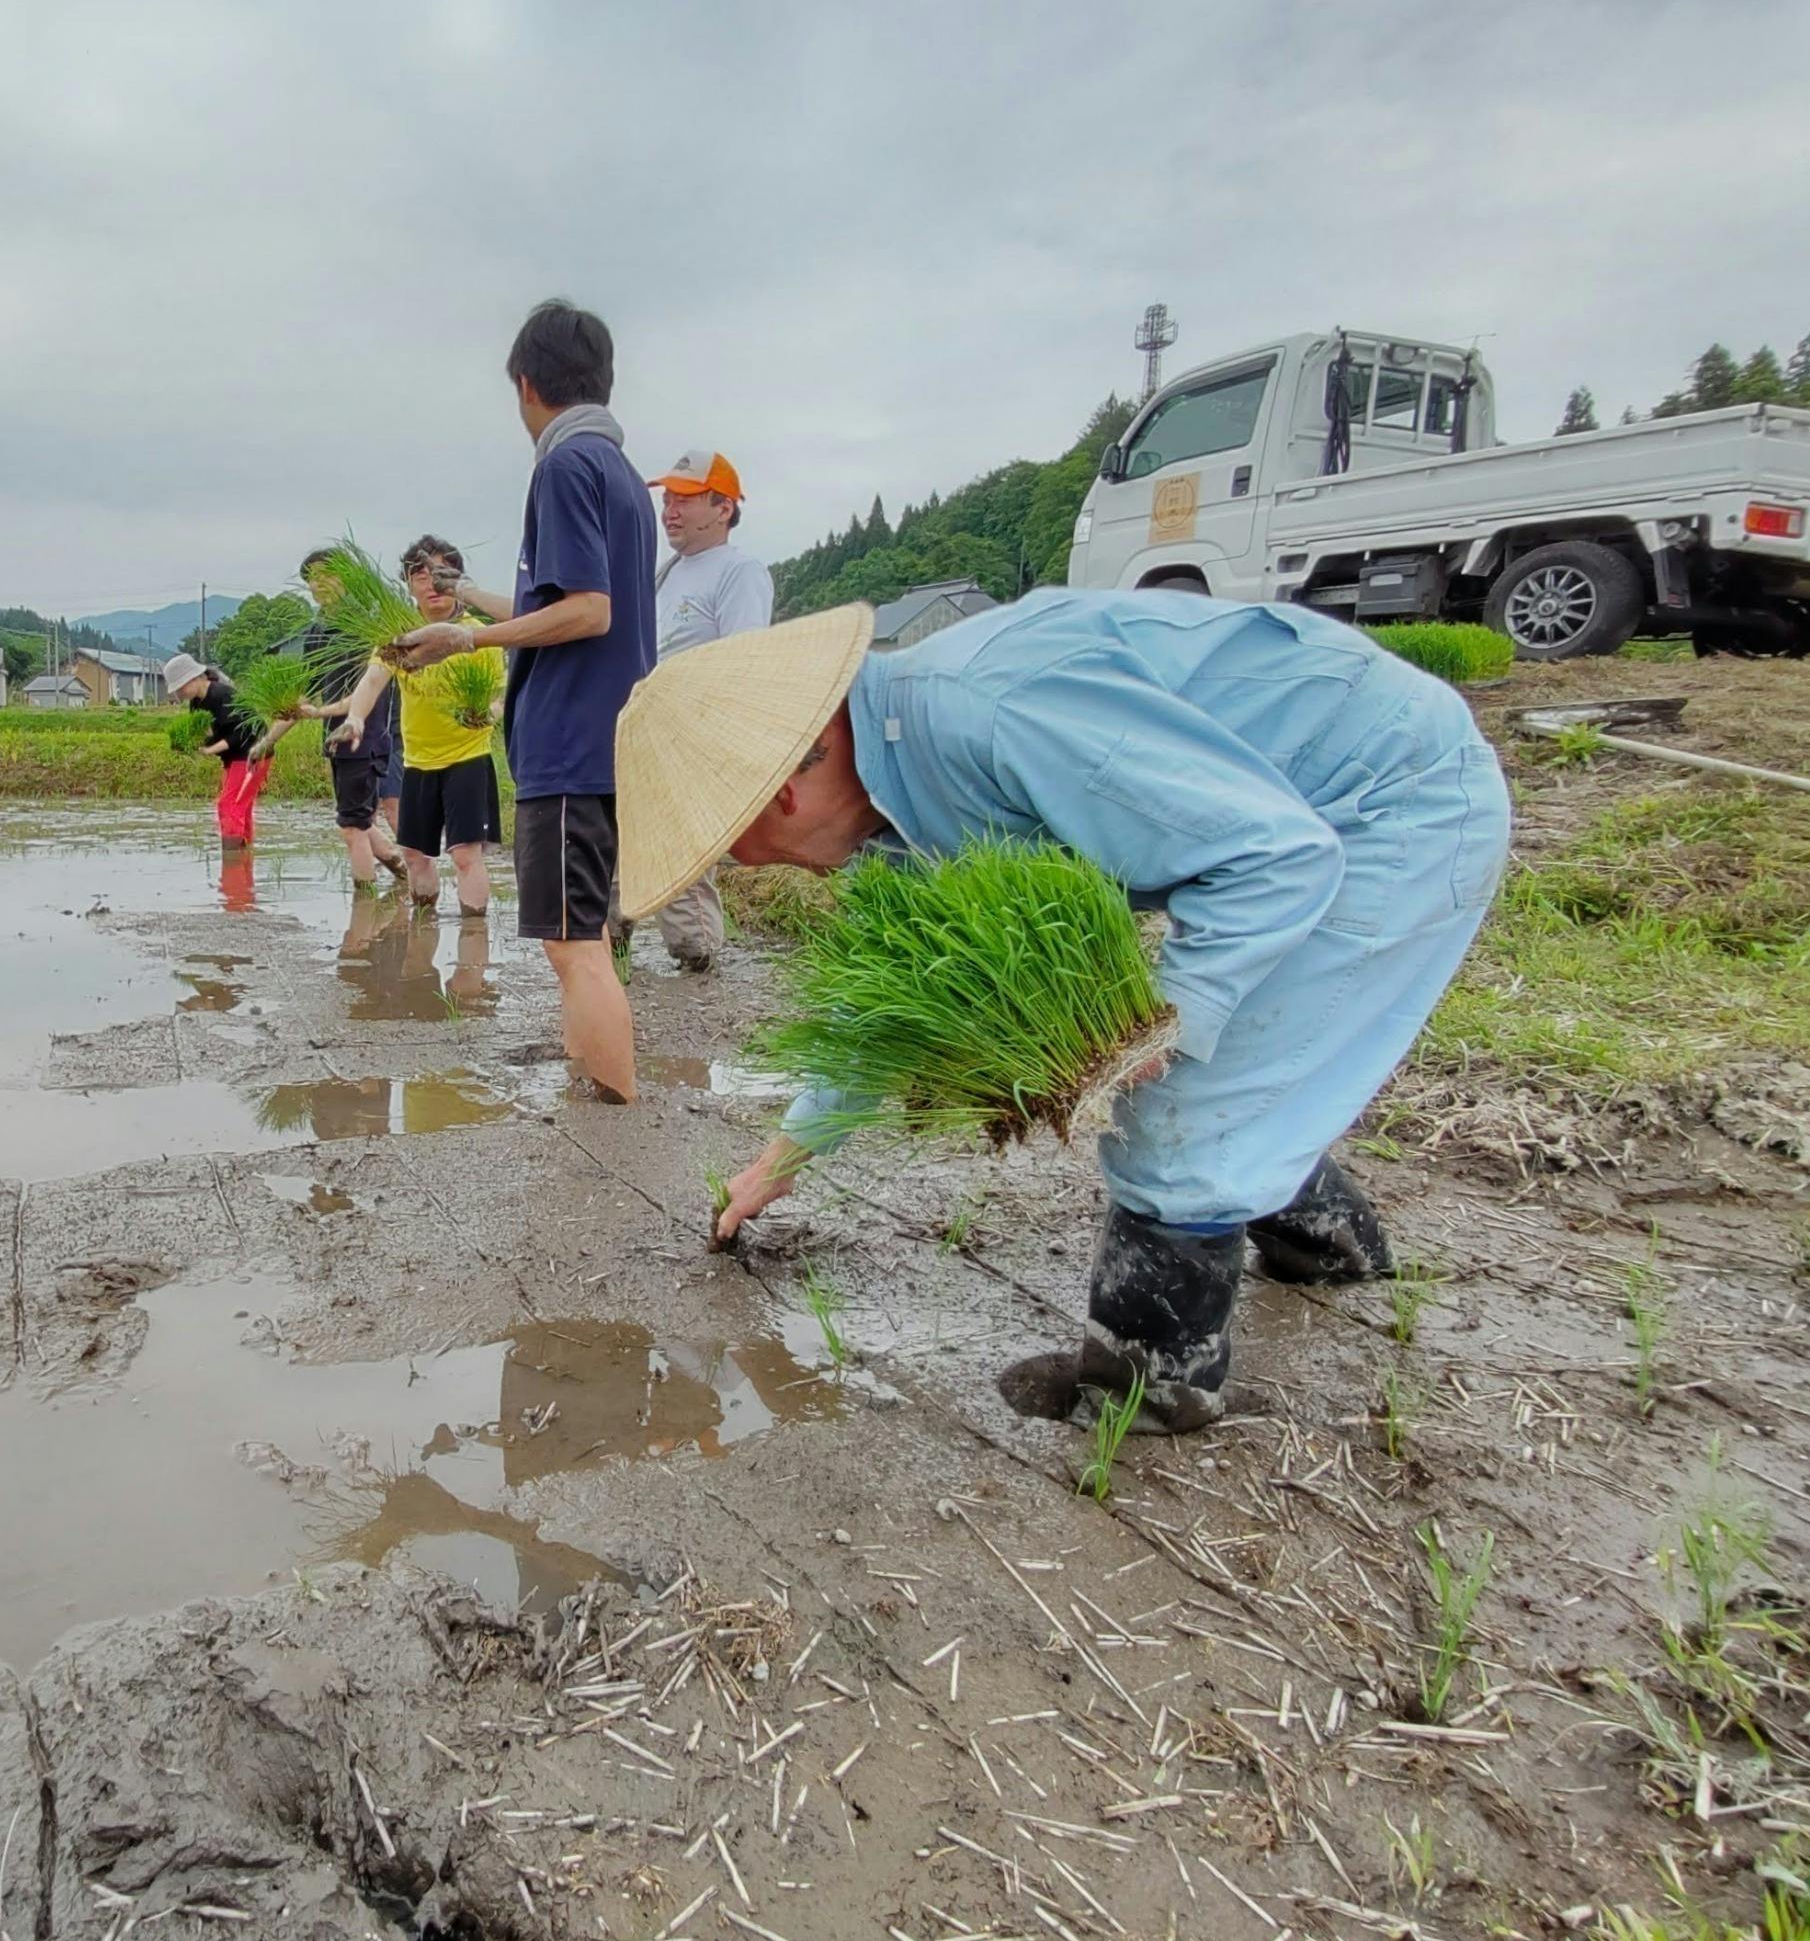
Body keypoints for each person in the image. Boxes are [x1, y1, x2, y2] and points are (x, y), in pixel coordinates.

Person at [609, 591, 1511, 1434]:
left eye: (732, 848)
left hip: (1386, 801)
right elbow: (910, 996)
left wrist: (1169, 1020)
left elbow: (1275, 857)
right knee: (1231, 1089)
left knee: (1177, 1116)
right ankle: (1332, 1252)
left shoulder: (995, 714)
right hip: (1281, 824)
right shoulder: (893, 808)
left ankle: (1146, 1400)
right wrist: (787, 1151)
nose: (753, 869)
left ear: (781, 793)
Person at [394, 300, 657, 1102]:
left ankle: (611, 1124)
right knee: (582, 943)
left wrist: (463, 639)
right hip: (606, 739)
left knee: (575, 946)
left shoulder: (563, 464)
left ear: (526, 383)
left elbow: (588, 610)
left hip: (571, 747)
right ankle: (593, 1092)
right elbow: (565, 601)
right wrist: (469, 599)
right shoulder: (620, 475)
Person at [636, 448, 773, 972]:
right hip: (646, 731)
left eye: (686, 500)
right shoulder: (666, 573)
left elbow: (742, 661)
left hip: (692, 736)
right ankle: (615, 947)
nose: (670, 510)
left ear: (724, 508)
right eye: (668, 499)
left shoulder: (739, 571)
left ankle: (700, 973)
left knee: (681, 861)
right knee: (625, 850)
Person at [338, 536, 501, 916]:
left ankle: (473, 937)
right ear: (409, 585)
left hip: (468, 759)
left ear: (457, 579)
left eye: (441, 575)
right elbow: (373, 678)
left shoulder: (479, 634)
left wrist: (488, 715)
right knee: (413, 853)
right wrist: (354, 718)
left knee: (465, 855)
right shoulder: (400, 636)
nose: (432, 585)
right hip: (418, 761)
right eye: (421, 576)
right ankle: (424, 922)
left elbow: (499, 695)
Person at [295, 549, 408, 888]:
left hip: (371, 735)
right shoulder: (316, 632)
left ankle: (381, 897)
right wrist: (269, 737)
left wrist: (327, 713)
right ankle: (403, 873)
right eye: (311, 578)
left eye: (327, 574)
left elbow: (371, 685)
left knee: (368, 818)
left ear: (348, 576)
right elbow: (308, 690)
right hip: (337, 739)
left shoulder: (370, 625)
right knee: (357, 819)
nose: (318, 584)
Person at [163, 652, 280, 851]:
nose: (179, 694)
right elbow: (210, 732)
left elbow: (240, 733)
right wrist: (190, 743)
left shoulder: (222, 694)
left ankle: (231, 862)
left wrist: (210, 750)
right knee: (240, 807)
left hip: (251, 753)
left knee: (228, 805)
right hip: (234, 758)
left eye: (181, 687)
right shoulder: (197, 703)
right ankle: (242, 865)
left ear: (195, 678)